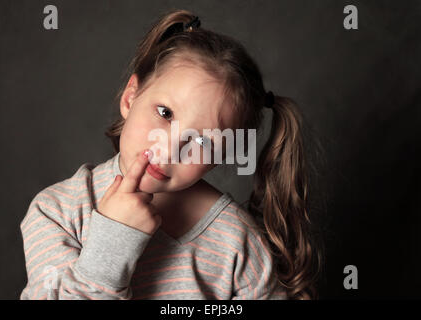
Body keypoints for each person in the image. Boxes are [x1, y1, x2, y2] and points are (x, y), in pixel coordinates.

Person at [19, 9, 321, 300]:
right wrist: (112, 241)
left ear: (224, 154)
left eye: (202, 141)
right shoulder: (57, 212)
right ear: (130, 97)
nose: (169, 148)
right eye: (165, 113)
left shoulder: (238, 244)